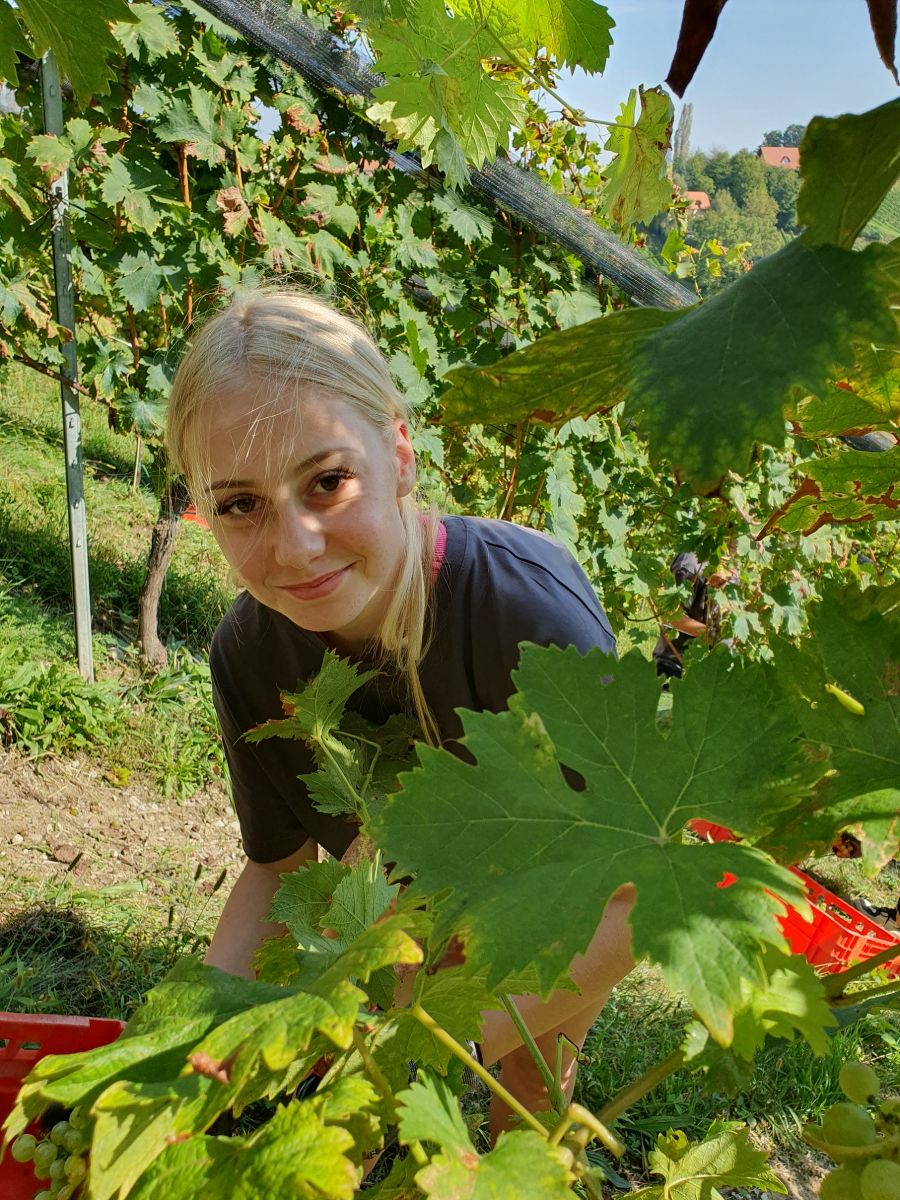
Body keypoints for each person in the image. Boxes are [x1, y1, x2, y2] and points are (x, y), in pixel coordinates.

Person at [166, 287, 635, 1139]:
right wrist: (206, 1026)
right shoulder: (248, 653)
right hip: (398, 912)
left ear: (401, 455)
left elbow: (629, 897)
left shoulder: (530, 620)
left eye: (329, 481)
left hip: (562, 897)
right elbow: (278, 870)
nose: (295, 545)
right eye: (240, 504)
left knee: (526, 1082)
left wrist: (422, 1033)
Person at [653, 551, 728, 679]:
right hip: (675, 665)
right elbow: (670, 616)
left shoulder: (742, 564)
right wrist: (711, 636)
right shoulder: (691, 563)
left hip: (717, 672)